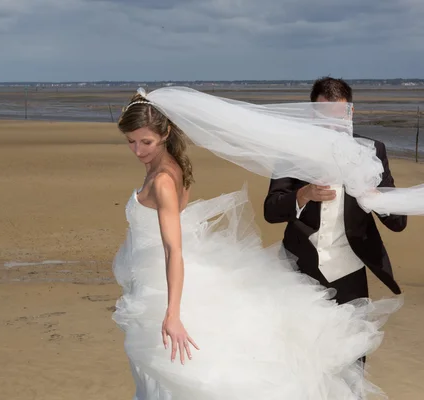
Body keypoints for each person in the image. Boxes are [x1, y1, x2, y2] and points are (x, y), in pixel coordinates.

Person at [111, 90, 400, 400]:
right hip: (164, 276)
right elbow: (272, 209)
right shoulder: (169, 166)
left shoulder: (163, 180)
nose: (137, 150)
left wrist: (172, 314)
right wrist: (302, 196)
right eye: (132, 141)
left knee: (173, 374)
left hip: (165, 284)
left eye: (145, 142)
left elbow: (173, 250)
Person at [264, 77, 407, 306]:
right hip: (297, 268)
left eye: (338, 118)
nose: (332, 127)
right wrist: (302, 195)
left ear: (350, 113)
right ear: (312, 114)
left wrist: (377, 201)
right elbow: (271, 211)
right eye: (324, 118)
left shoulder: (371, 151)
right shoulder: (292, 150)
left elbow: (399, 222)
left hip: (350, 274)